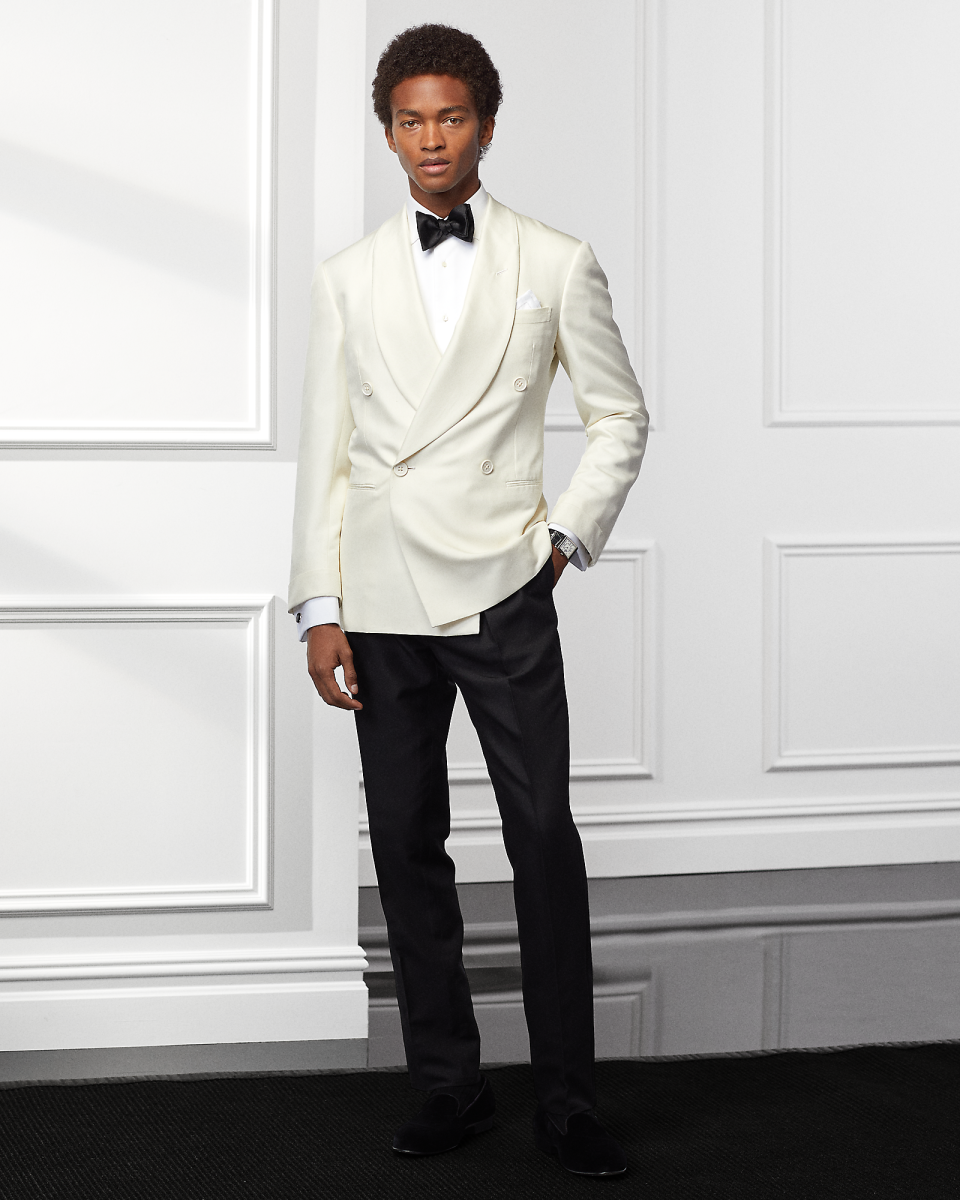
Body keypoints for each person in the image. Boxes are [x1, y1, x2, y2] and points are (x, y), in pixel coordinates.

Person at [289, 23, 648, 1179]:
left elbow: (620, 416)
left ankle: (569, 1100)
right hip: (381, 594)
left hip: (503, 586)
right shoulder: (347, 277)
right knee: (406, 843)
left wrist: (561, 541)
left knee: (542, 838)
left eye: (450, 117)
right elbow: (325, 452)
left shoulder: (555, 260)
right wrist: (318, 604)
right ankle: (449, 1084)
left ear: (485, 125)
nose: (431, 139)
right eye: (410, 120)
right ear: (389, 133)